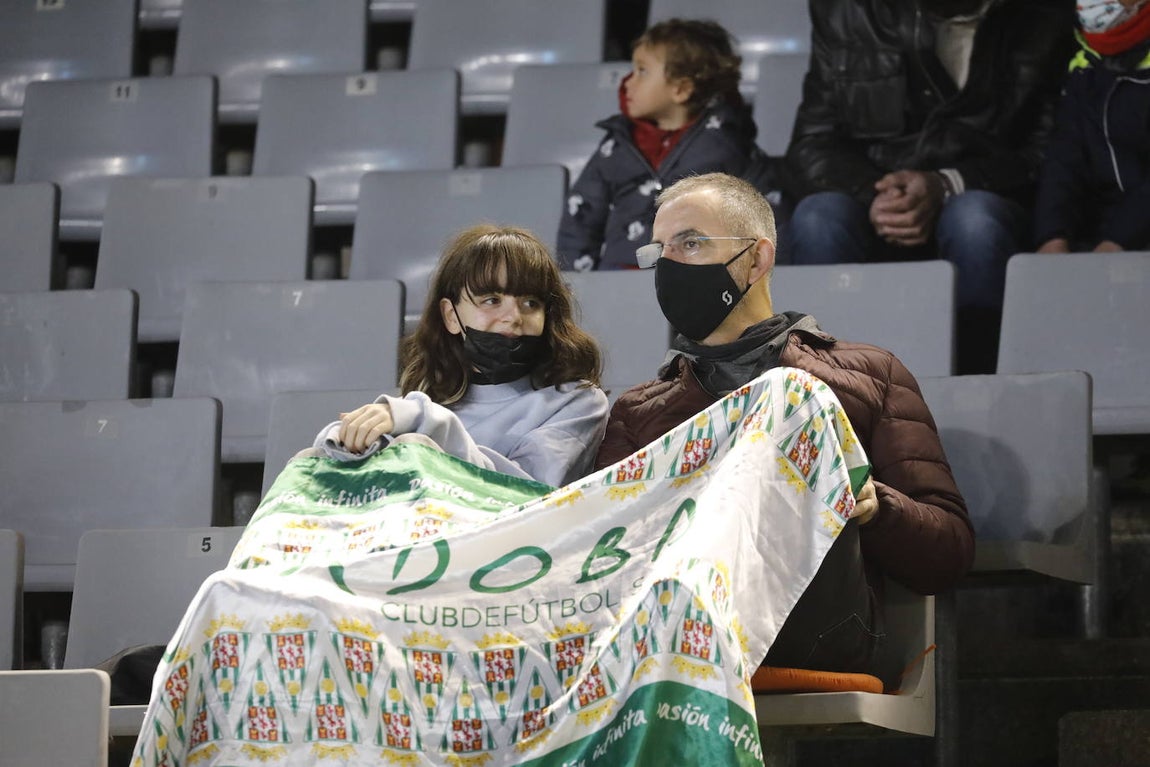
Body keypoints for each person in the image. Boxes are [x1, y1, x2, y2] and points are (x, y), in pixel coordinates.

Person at [596, 173, 972, 681]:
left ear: (757, 258)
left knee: (790, 409)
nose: (668, 264)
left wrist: (875, 507)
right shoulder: (637, 411)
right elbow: (607, 562)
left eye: (690, 243)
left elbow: (947, 554)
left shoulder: (869, 374)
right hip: (677, 632)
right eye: (660, 250)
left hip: (815, 631)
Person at [783, 0, 1076, 373]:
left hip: (984, 191)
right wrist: (879, 196)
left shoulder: (1045, 14)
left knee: (976, 220)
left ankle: (980, 391)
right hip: (872, 191)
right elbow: (810, 145)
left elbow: (1050, 151)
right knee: (819, 217)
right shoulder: (845, 9)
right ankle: (826, 394)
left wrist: (945, 184)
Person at [317, 224, 609, 488]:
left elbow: (526, 491)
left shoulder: (577, 401)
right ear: (451, 316)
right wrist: (348, 438)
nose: (513, 317)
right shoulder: (432, 398)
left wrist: (426, 423)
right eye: (492, 300)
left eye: (530, 303)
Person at [556, 17, 774, 272]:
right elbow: (580, 221)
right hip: (617, 282)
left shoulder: (726, 146)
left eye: (642, 71)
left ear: (680, 89)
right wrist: (576, 285)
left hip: (696, 282)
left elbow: (765, 215)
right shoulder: (615, 148)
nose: (627, 82)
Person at [1034, 0, 1150, 255]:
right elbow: (1064, 157)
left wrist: (1120, 238)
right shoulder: (1085, 64)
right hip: (1099, 243)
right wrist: (1053, 235)